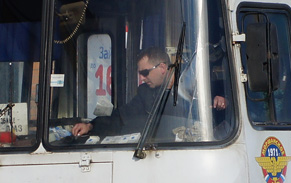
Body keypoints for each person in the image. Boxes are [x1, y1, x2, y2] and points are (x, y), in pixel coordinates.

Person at [71, 47, 225, 138]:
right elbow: (122, 117)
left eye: (145, 72)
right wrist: (91, 126)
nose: (142, 78)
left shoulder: (201, 85)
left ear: (163, 68)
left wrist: (224, 102)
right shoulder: (145, 93)